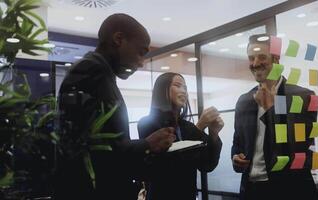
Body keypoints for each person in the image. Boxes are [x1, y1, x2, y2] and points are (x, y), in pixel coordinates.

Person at [55, 14, 176, 200]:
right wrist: (147, 144)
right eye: (140, 52)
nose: (141, 62)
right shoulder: (90, 71)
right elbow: (90, 151)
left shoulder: (99, 73)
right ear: (119, 39)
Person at [231, 34, 318, 200]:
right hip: (251, 191)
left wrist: (270, 109)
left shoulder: (303, 96)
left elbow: (297, 147)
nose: (255, 63)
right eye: (251, 58)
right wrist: (235, 156)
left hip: (290, 190)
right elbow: (237, 142)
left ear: (276, 59)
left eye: (262, 57)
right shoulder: (243, 101)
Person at [137, 72, 223, 200]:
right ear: (162, 90)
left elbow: (207, 165)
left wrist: (214, 134)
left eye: (186, 88)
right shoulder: (147, 123)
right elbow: (165, 168)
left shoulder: (187, 127)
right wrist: (199, 127)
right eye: (178, 85)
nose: (184, 91)